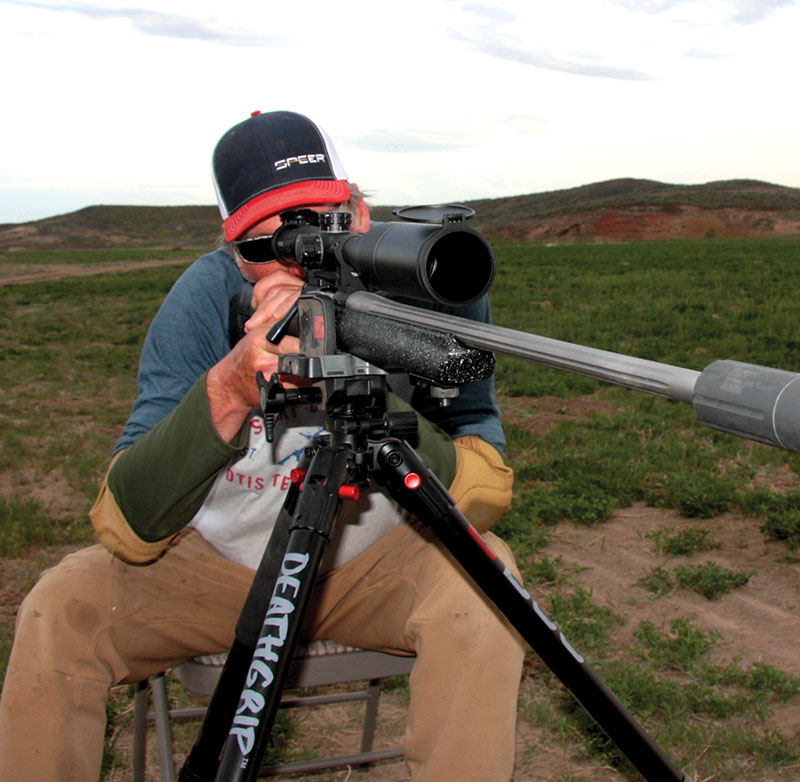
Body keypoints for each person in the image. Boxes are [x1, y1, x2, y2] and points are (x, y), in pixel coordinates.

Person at [0, 110, 525, 781]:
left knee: (486, 590)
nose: (294, 255)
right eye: (261, 246)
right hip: (214, 567)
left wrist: (346, 380)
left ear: (359, 211)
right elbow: (126, 528)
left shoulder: (425, 277)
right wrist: (227, 392)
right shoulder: (202, 299)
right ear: (230, 254)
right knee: (58, 611)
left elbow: (482, 493)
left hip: (372, 563)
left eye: (320, 223)